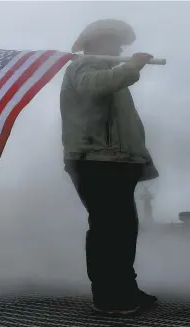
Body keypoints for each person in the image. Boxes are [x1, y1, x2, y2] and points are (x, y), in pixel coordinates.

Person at [61, 19, 159, 316]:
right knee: (108, 229)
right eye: (113, 41)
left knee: (123, 229)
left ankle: (125, 289)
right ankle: (108, 297)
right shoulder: (85, 66)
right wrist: (132, 68)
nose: (119, 48)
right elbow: (93, 87)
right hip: (96, 160)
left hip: (115, 160)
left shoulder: (108, 70)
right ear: (95, 42)